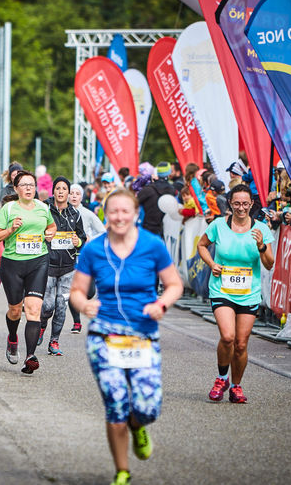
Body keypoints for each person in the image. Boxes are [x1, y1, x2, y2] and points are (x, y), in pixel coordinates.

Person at [69, 188, 183, 485]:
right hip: (104, 336)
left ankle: (139, 425)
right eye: (113, 212)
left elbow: (174, 285)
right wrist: (85, 305)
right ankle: (122, 471)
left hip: (142, 334)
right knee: (116, 403)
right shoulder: (94, 250)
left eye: (125, 211)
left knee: (147, 407)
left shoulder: (152, 245)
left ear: (135, 214)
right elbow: (77, 292)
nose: (119, 217)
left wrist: (161, 304)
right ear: (106, 215)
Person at [196, 183, 275, 404]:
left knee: (241, 343)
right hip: (221, 288)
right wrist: (212, 263)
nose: (241, 208)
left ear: (251, 204)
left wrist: (261, 246)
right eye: (237, 203)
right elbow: (202, 246)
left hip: (249, 292)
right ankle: (222, 379)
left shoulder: (261, 229)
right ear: (230, 203)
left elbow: (269, 264)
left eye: (245, 204)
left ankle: (236, 386)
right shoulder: (219, 225)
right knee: (228, 336)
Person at [0, 170, 57, 374]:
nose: (29, 188)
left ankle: (30, 356)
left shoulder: (43, 208)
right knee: (15, 310)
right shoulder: (8, 209)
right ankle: (12, 338)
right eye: (24, 185)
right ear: (17, 189)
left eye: (32, 185)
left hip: (38, 261)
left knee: (34, 309)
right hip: (12, 264)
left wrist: (50, 232)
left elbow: (52, 226)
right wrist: (10, 229)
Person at [39, 177, 86, 355]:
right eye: (57, 188)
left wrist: (78, 241)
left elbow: (82, 237)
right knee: (48, 305)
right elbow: (35, 231)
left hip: (68, 267)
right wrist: (45, 236)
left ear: (68, 192)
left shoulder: (75, 214)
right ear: (53, 191)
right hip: (49, 265)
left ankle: (54, 341)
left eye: (64, 189)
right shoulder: (45, 210)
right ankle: (42, 326)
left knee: (61, 305)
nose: (60, 191)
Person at [68, 183, 105, 334]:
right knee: (71, 290)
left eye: (77, 193)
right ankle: (77, 322)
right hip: (67, 256)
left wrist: (90, 239)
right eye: (72, 193)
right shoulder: (62, 213)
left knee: (89, 292)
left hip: (85, 256)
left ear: (82, 197)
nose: (74, 196)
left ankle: (81, 303)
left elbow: (103, 232)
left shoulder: (88, 214)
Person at [137, 161, 176, 238]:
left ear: (157, 172)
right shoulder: (173, 191)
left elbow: (134, 203)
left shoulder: (147, 189)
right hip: (165, 231)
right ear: (169, 173)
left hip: (146, 229)